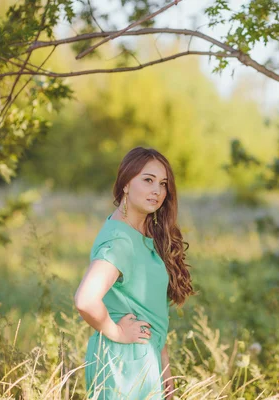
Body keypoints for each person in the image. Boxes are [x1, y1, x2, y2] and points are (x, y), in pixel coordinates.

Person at [74, 147, 196, 399]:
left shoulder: (144, 236)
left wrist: (165, 374)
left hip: (147, 360)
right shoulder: (120, 240)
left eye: (163, 184)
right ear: (126, 184)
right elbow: (85, 300)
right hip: (124, 362)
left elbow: (152, 313)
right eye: (148, 180)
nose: (157, 191)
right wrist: (116, 332)